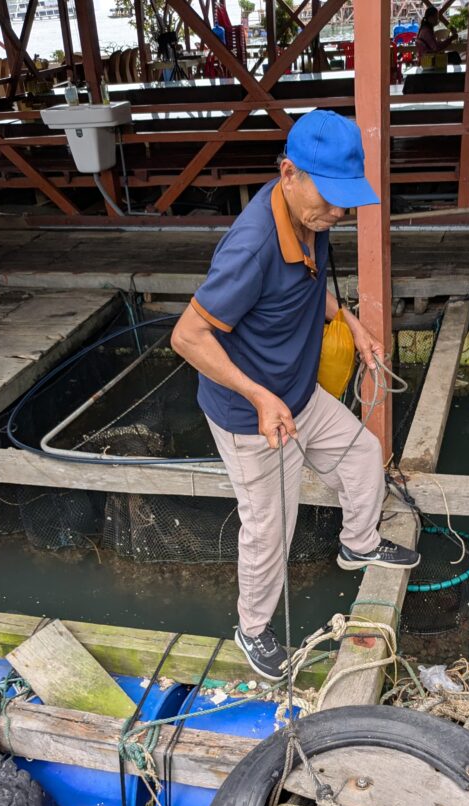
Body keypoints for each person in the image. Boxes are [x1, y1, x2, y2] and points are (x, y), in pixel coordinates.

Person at [171, 109, 421, 681]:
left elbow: (307, 290)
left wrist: (352, 323)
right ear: (289, 173)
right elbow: (187, 336)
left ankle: (358, 543)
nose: (338, 212)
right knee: (268, 528)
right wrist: (259, 398)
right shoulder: (252, 246)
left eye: (345, 200)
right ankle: (253, 630)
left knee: (361, 456)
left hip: (297, 393)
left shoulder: (312, 217)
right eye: (330, 199)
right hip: (249, 413)